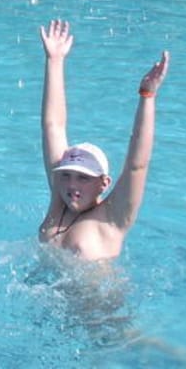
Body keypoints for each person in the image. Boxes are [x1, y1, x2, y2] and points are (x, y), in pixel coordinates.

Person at [37, 19, 169, 262]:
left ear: (103, 183)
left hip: (97, 290)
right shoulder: (59, 199)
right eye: (67, 175)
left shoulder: (112, 218)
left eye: (84, 178)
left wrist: (147, 96)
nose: (72, 184)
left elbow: (137, 165)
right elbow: (53, 126)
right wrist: (54, 61)